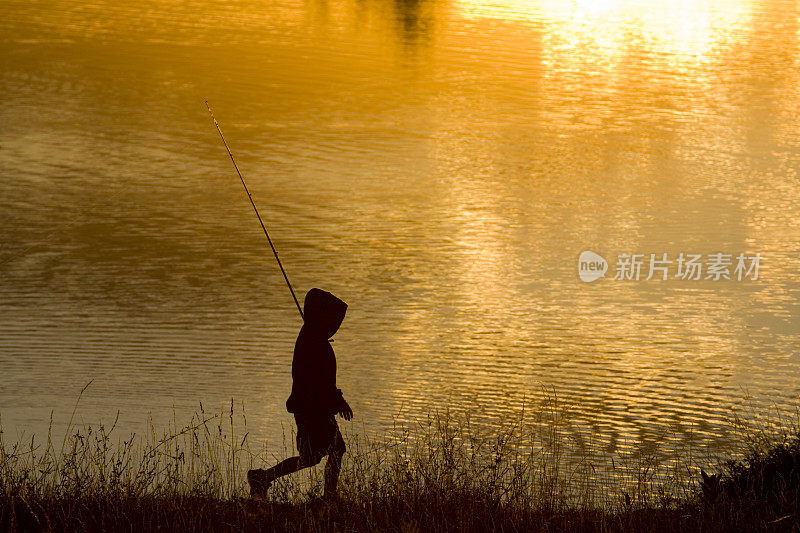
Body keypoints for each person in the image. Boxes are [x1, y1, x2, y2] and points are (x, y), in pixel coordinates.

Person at [247, 288, 353, 500]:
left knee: (318, 456)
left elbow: (324, 382)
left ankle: (264, 478)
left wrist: (336, 400)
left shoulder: (313, 338)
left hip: (316, 408)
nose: (335, 326)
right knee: (325, 454)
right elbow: (319, 382)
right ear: (320, 317)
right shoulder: (312, 342)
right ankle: (328, 497)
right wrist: (338, 401)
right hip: (313, 410)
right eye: (332, 320)